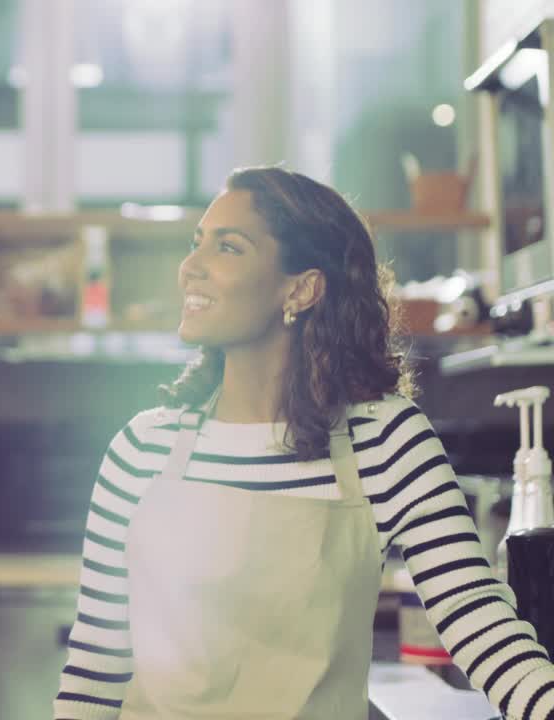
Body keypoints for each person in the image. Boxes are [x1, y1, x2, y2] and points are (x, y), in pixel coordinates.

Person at [53, 166, 554, 720]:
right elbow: (94, 670)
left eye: (228, 247)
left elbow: (475, 615)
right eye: (196, 244)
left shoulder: (384, 441)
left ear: (302, 287)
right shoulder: (139, 451)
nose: (190, 267)